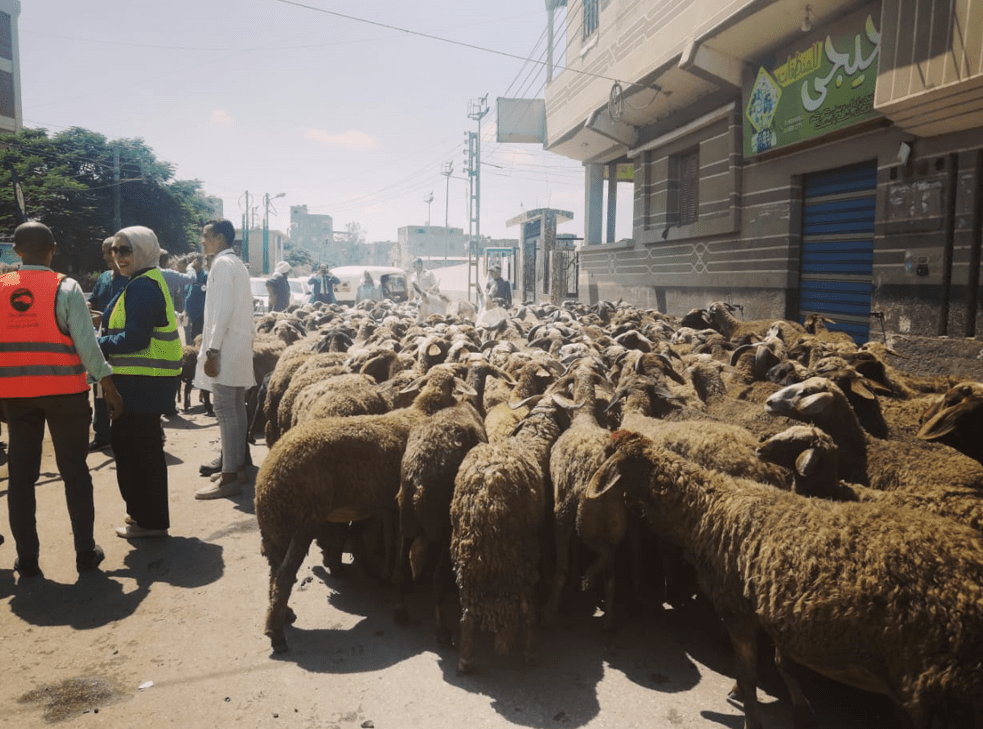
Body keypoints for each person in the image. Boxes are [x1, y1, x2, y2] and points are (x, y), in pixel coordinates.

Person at [1, 221, 123, 577]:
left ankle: (27, 559)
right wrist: (108, 386)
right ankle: (85, 552)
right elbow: (88, 346)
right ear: (53, 250)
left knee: (21, 477)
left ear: (17, 252)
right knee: (74, 471)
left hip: (16, 396)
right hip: (65, 394)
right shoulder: (66, 288)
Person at [98, 226, 182, 539]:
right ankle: (146, 516)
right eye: (115, 250)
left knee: (137, 451)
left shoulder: (143, 286)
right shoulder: (140, 281)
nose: (118, 256)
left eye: (125, 249)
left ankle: (149, 520)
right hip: (143, 382)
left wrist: (98, 341)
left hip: (142, 384)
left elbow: (135, 337)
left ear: (144, 250)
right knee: (140, 449)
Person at [193, 219, 256, 500]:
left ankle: (229, 476)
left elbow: (221, 311)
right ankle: (236, 467)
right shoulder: (236, 264)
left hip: (226, 346)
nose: (202, 241)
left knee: (225, 409)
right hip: (238, 344)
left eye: (206, 236)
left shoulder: (221, 264)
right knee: (235, 408)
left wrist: (212, 351)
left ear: (220, 237)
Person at [87, 236, 128, 451]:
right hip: (101, 345)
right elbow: (94, 299)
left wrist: (104, 319)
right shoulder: (104, 278)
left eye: (109, 251)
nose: (105, 257)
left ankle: (125, 433)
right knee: (99, 389)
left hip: (121, 345)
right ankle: (102, 434)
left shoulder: (132, 280)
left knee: (123, 388)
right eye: (104, 252)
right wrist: (84, 306)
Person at [183, 253, 207, 343]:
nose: (197, 263)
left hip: (200, 314)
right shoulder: (188, 276)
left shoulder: (205, 276)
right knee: (187, 336)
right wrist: (184, 310)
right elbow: (185, 294)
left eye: (199, 260)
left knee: (197, 337)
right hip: (187, 313)